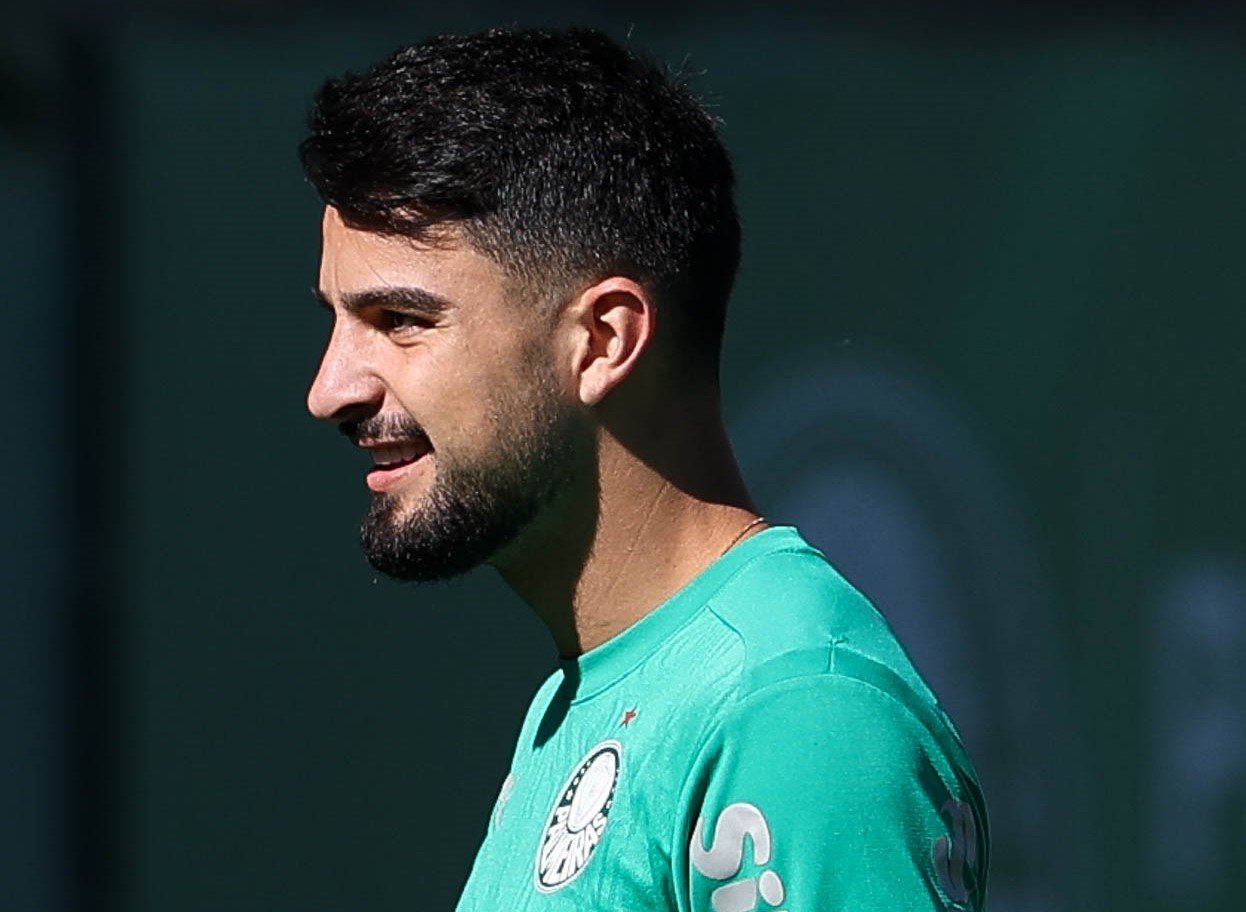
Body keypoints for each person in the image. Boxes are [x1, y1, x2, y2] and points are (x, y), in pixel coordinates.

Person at [300, 26, 988, 911]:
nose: (330, 390)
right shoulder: (592, 692)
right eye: (336, 319)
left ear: (604, 339)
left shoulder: (792, 710)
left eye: (400, 319)